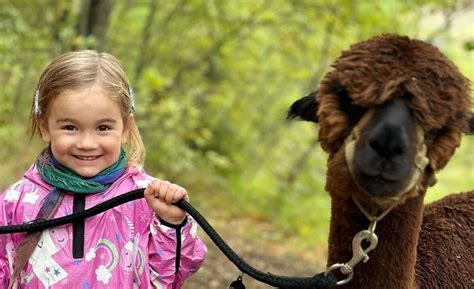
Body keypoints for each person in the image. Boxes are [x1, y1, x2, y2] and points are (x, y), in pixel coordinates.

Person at [0, 50, 207, 289]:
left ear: (126, 127)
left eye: (103, 128)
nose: (87, 143)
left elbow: (172, 276)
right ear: (45, 127)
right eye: (70, 127)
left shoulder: (146, 198)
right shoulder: (15, 202)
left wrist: (172, 224)